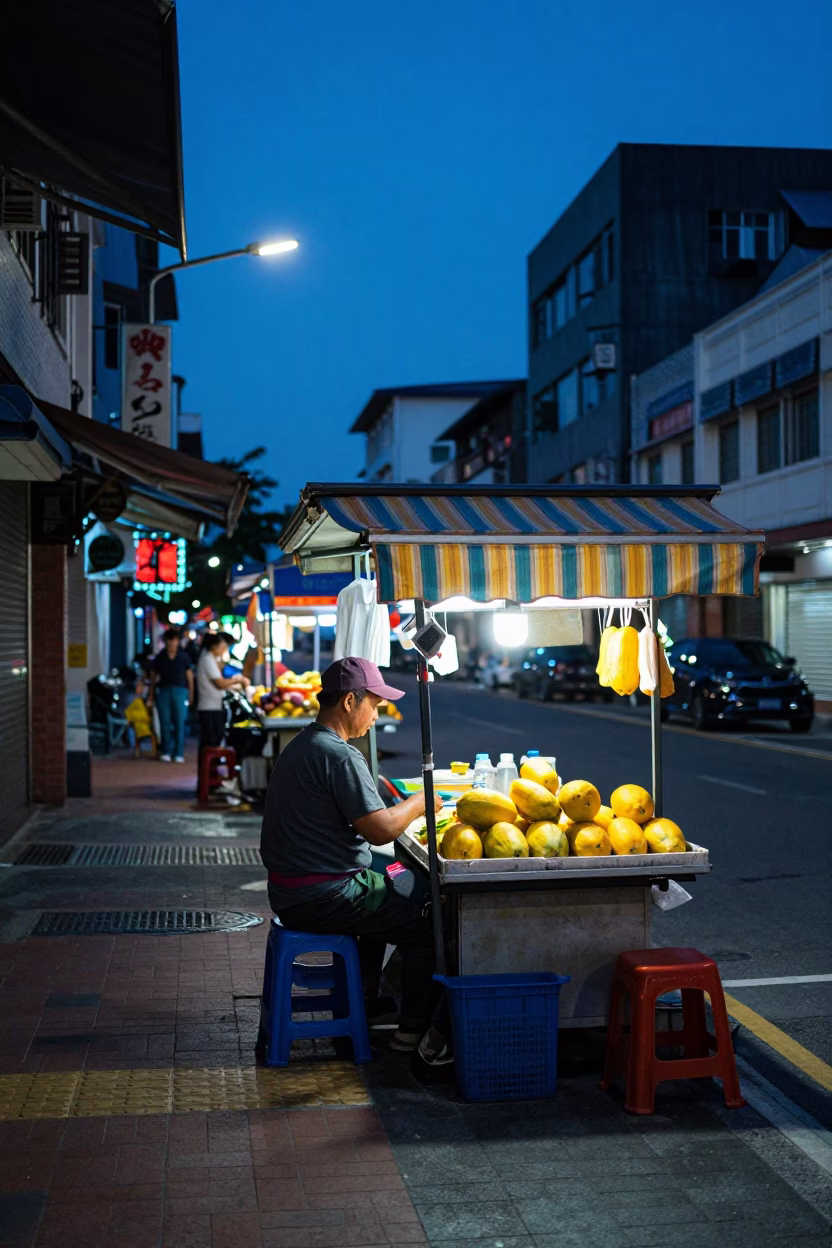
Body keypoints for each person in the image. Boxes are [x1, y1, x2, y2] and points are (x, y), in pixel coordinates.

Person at [260, 656, 451, 1066]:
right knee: (427, 918)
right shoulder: (341, 755)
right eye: (375, 705)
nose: (376, 715)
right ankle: (411, 1028)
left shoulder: (303, 744)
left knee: (395, 877)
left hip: (293, 889)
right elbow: (381, 830)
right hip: (323, 895)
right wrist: (421, 802)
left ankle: (365, 998)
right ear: (350, 701)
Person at [148, 629, 193, 762]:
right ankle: (166, 751)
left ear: (178, 641)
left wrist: (191, 694)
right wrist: (151, 695)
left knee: (180, 722)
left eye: (173, 640)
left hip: (180, 691)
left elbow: (190, 677)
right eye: (169, 640)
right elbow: (153, 677)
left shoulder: (184, 657)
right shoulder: (160, 657)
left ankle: (178, 752)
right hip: (163, 691)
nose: (171, 643)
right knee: (164, 722)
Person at [196, 633, 247, 747]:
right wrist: (238, 680)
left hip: (213, 705)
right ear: (214, 647)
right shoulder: (207, 659)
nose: (224, 650)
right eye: (222, 647)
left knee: (213, 740)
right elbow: (219, 683)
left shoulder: (210, 658)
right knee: (210, 741)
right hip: (209, 707)